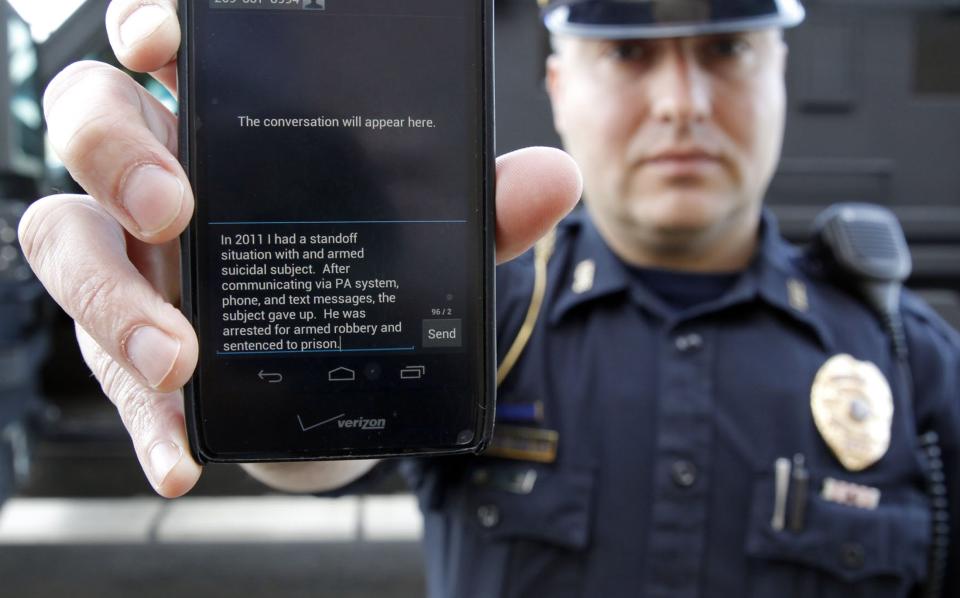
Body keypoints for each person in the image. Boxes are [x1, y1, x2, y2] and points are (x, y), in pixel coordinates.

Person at [16, 0, 960, 597]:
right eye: (630, 53)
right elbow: (322, 460)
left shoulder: (910, 356)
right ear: (558, 80)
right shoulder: (489, 308)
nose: (682, 100)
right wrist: (222, 321)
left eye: (726, 48)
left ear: (780, 71)